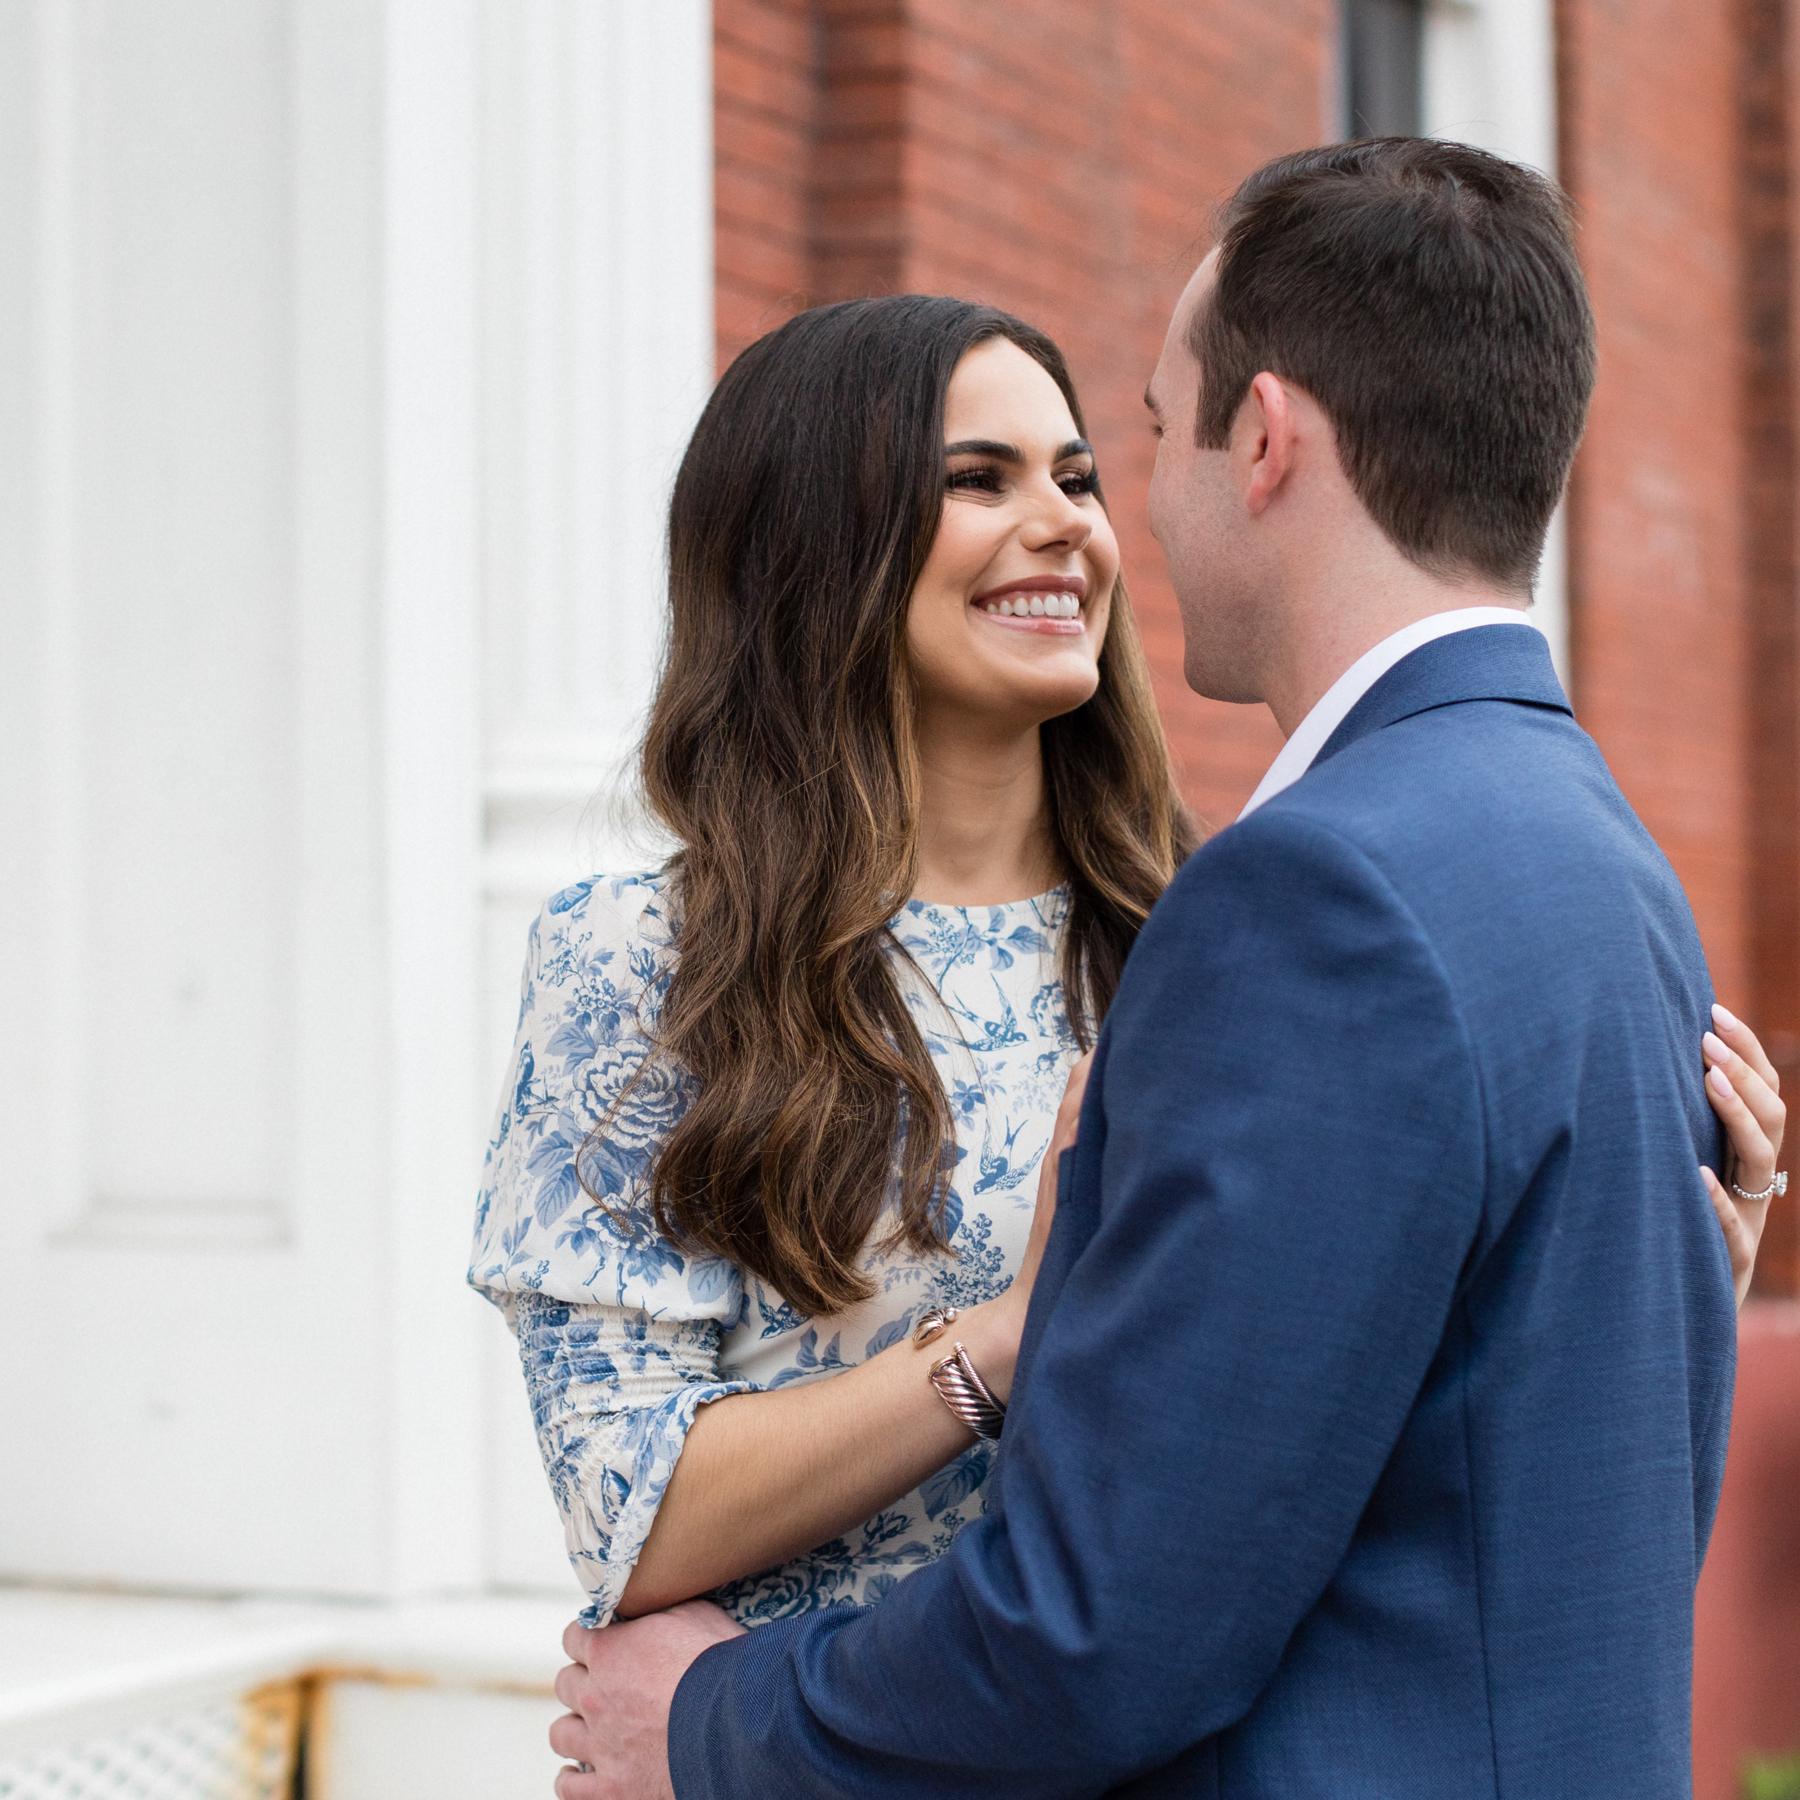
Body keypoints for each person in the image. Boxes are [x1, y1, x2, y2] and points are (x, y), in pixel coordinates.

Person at [546, 139, 1789, 1799]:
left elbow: (1112, 1627)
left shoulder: (1268, 912)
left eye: (1109, 451)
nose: (1080, 519)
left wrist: (717, 1729)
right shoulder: (1577, 844)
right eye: (979, 478)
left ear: (1263, 438)